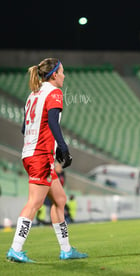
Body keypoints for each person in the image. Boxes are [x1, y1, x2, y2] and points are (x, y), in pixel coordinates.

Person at [6, 58, 87, 263]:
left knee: (60, 200)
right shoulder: (54, 92)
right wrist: (62, 146)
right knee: (34, 203)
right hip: (40, 154)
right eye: (62, 72)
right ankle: (15, 249)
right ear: (54, 75)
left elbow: (25, 128)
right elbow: (52, 121)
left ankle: (66, 250)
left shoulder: (33, 94)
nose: (64, 75)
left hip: (31, 153)